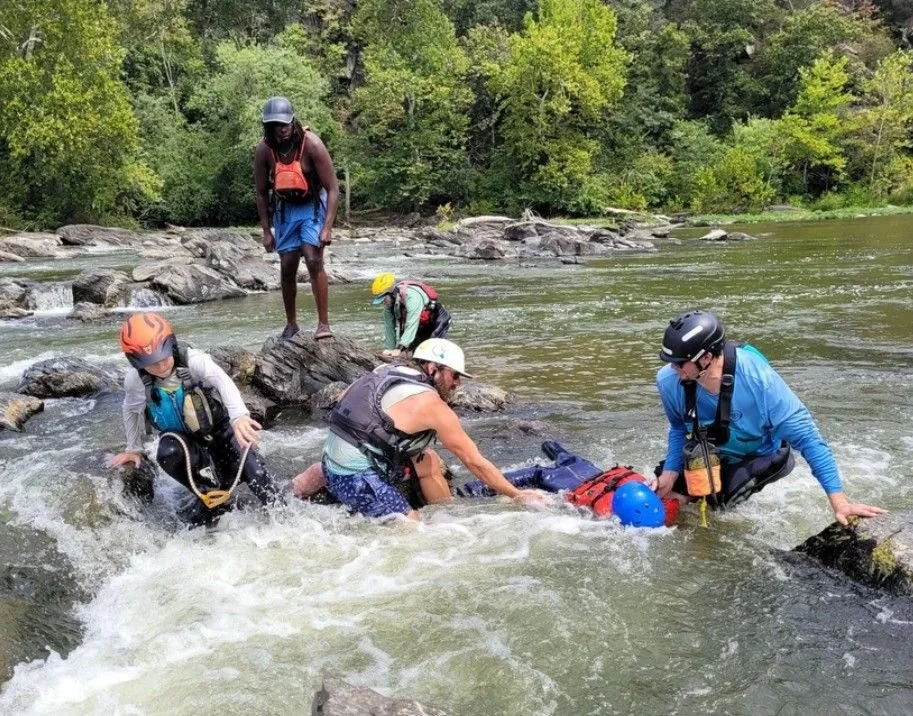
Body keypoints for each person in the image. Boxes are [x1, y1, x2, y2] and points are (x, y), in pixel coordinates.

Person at [653, 310, 886, 525]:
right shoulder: (668, 381)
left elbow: (809, 439)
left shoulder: (759, 380)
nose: (673, 369)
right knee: (667, 495)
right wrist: (670, 473)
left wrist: (840, 504)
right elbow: (678, 429)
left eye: (679, 363)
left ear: (705, 358)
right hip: (713, 449)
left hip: (762, 454)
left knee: (719, 504)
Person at [321, 338, 547, 520]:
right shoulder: (432, 405)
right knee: (412, 528)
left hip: (329, 463)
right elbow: (473, 461)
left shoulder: (386, 370)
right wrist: (516, 495)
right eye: (455, 375)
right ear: (432, 368)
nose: (458, 383)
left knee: (427, 457)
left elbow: (343, 398)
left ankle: (446, 513)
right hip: (355, 479)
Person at [109, 312, 283, 525]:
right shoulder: (135, 381)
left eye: (164, 358)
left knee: (256, 474)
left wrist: (239, 417)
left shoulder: (194, 361)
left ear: (170, 346)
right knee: (168, 453)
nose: (161, 366)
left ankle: (284, 517)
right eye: (152, 363)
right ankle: (208, 494)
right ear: (136, 362)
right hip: (184, 443)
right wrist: (133, 448)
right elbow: (131, 409)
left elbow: (222, 381)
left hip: (219, 433)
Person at [254, 96, 339, 341]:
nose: (279, 131)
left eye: (283, 125)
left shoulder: (312, 145)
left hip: (312, 206)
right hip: (285, 210)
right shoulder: (264, 150)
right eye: (273, 126)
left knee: (313, 260)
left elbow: (333, 188)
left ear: (292, 122)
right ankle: (291, 324)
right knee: (288, 264)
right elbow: (261, 193)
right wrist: (266, 231)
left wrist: (327, 228)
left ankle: (323, 324)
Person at [371, 273, 452, 357]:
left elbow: (412, 323)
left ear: (392, 292)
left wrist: (399, 348)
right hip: (421, 323)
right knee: (415, 353)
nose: (384, 302)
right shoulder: (389, 303)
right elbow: (389, 327)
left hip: (437, 319)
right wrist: (391, 350)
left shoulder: (412, 297)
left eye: (384, 299)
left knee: (433, 352)